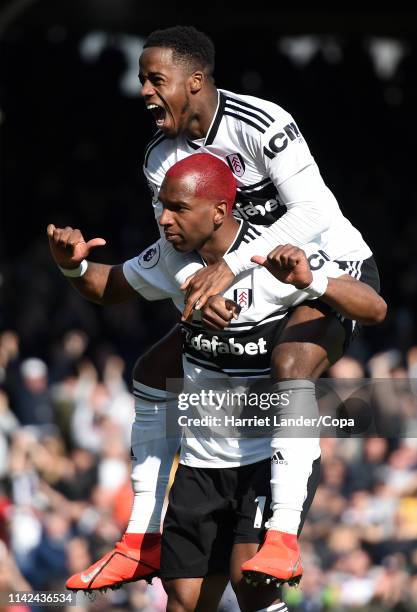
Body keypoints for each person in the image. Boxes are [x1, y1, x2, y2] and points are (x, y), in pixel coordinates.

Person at [64, 25, 381, 590]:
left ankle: (282, 537)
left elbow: (313, 211)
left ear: (195, 80)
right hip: (247, 281)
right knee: (152, 375)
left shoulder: (262, 123)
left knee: (289, 366)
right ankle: (139, 539)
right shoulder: (161, 156)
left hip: (330, 272)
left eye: (154, 79)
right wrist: (195, 287)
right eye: (141, 79)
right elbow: (176, 243)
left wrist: (233, 269)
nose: (143, 90)